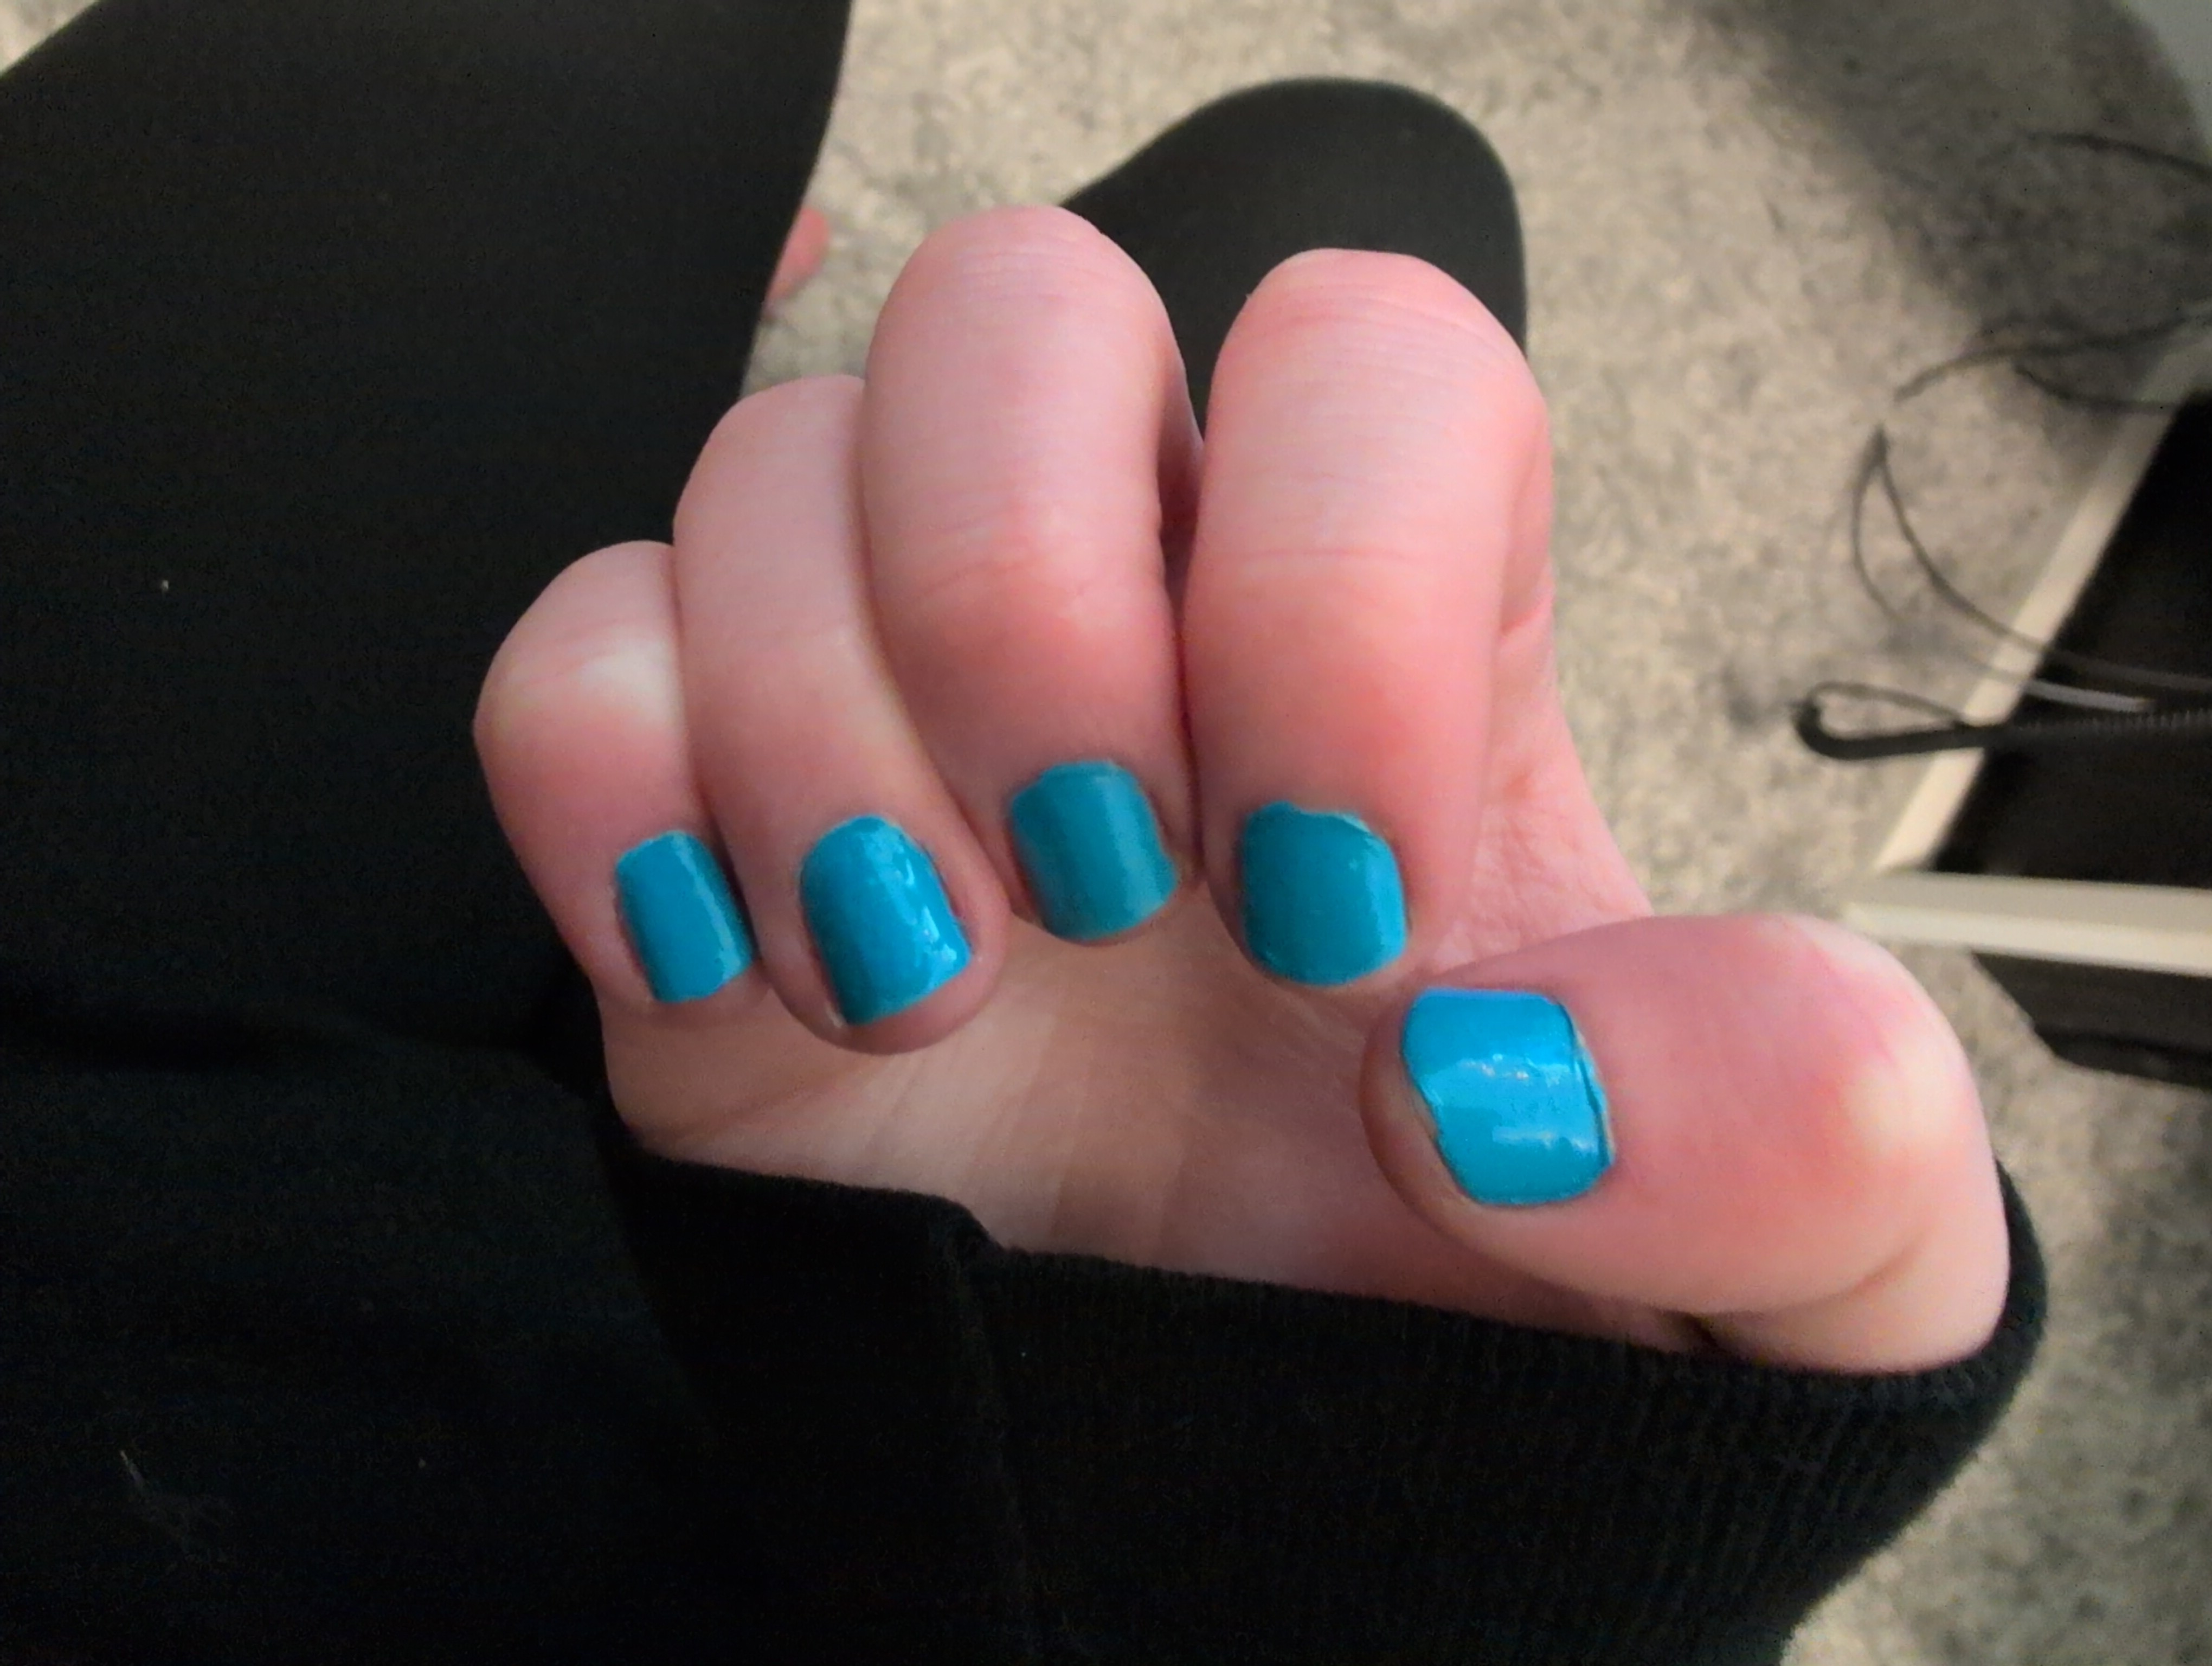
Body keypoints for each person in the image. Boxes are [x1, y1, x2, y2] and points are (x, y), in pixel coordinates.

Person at [0, 1, 2043, 1661]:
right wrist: (1370, 1525)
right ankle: (689, 344)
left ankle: (686, 326)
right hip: (833, 1336)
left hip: (76, 1122)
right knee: (1364, 187)